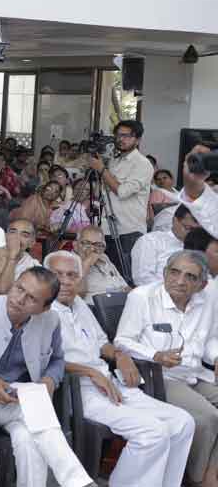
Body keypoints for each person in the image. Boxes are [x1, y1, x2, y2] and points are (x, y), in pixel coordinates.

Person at [46, 250, 194, 487]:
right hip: (76, 391)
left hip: (109, 382)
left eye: (72, 275)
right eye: (57, 274)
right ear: (45, 276)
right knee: (152, 432)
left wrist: (119, 354)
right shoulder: (40, 311)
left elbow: (101, 343)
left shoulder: (79, 305)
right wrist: (90, 372)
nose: (65, 281)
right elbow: (42, 363)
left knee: (182, 422)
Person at [0, 268, 94, 487]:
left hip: (21, 400)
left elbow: (57, 361)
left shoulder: (51, 320)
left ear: (44, 307)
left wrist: (49, 380)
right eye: (19, 288)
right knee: (35, 409)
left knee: (26, 438)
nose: (19, 299)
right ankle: (77, 481)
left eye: (31, 298)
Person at [115, 250, 218, 487]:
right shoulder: (142, 297)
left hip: (196, 374)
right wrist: (156, 355)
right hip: (160, 376)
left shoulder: (205, 302)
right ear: (164, 273)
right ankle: (197, 478)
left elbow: (211, 339)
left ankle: (212, 471)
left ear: (202, 285)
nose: (180, 281)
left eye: (190, 277)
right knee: (208, 418)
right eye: (175, 272)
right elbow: (122, 341)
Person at [88, 121, 155, 278]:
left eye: (126, 136)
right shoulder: (114, 161)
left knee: (125, 278)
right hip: (106, 228)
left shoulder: (142, 164)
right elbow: (102, 192)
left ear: (137, 140)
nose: (120, 139)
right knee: (108, 278)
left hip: (128, 230)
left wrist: (102, 169)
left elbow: (122, 191)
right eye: (118, 135)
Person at [131, 204, 202, 287]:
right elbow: (142, 278)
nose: (192, 233)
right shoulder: (151, 241)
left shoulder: (201, 245)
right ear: (175, 221)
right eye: (188, 228)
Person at [0, 219, 42, 295]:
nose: (16, 238)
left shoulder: (32, 263)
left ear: (32, 243)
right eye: (12, 232)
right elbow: (3, 290)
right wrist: (12, 256)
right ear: (6, 236)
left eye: (24, 235)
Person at [74, 225, 129, 296]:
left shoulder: (103, 257)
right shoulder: (70, 261)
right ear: (75, 244)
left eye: (98, 244)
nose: (92, 249)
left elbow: (124, 286)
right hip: (95, 305)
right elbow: (77, 295)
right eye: (86, 243)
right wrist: (87, 263)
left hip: (119, 301)